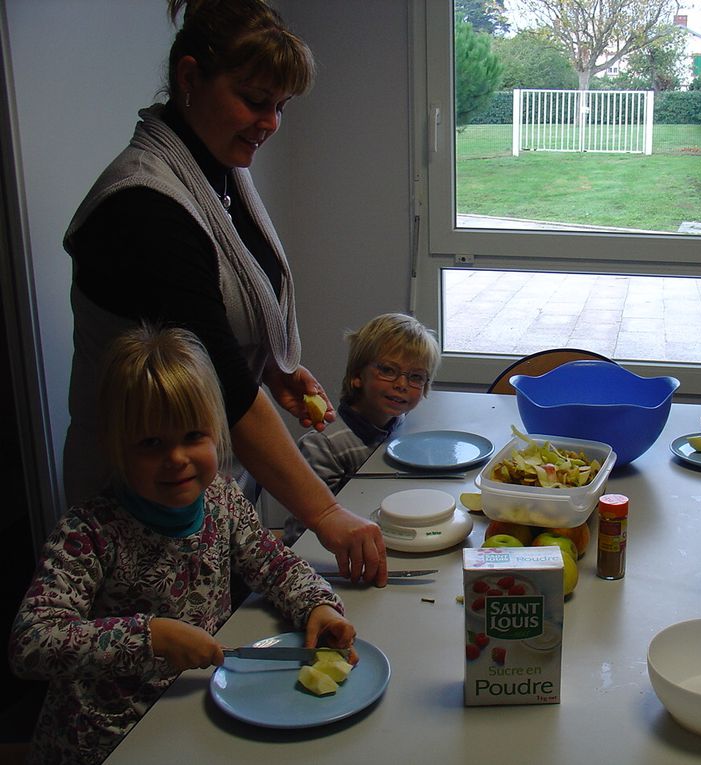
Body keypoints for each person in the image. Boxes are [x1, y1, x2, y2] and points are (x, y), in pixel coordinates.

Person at [61, 0, 387, 584]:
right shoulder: (144, 208)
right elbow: (221, 384)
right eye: (256, 100)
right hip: (133, 513)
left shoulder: (216, 169)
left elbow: (219, 316)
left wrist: (270, 366)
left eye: (281, 107)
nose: (271, 123)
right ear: (190, 78)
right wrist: (326, 512)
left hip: (201, 501)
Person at [9, 325, 359, 765]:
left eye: (194, 436)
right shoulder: (88, 533)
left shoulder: (223, 500)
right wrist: (148, 636)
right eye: (151, 443)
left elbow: (276, 565)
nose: (177, 459)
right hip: (106, 740)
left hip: (192, 713)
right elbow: (31, 642)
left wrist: (317, 606)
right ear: (115, 446)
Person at [285, 313, 441, 544]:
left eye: (416, 377)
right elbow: (302, 534)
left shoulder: (402, 425)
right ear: (357, 375)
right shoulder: (324, 445)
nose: (401, 384)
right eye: (388, 370)